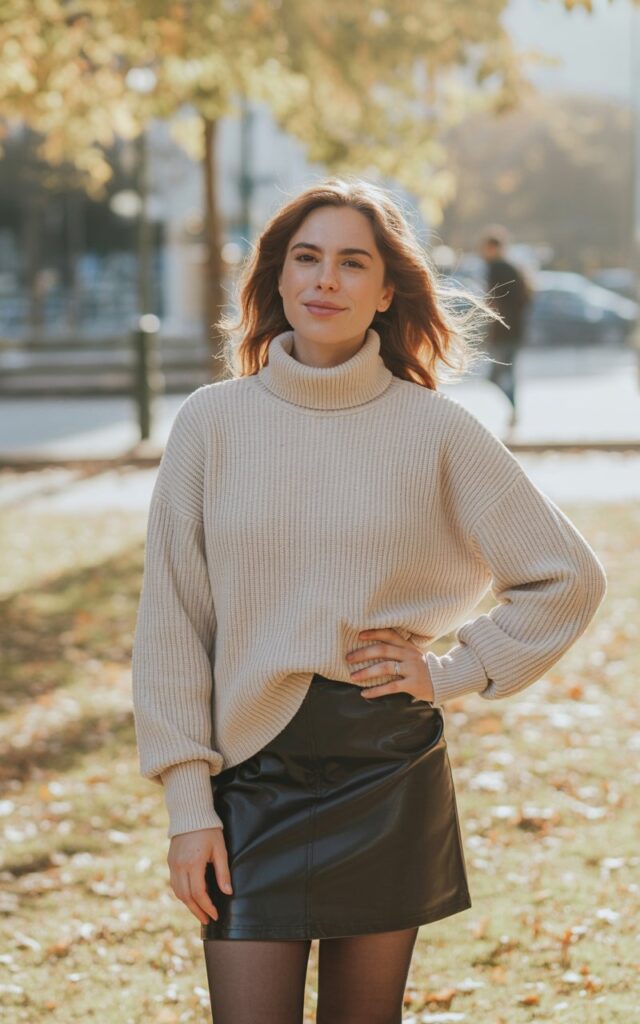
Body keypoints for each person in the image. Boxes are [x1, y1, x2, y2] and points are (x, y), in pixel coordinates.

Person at [131, 178, 607, 1024]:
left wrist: (458, 670)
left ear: (387, 291)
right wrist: (187, 809)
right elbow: (174, 623)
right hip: (248, 779)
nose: (326, 280)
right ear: (276, 277)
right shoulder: (211, 423)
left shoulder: (436, 429)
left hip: (386, 770)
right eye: (306, 258)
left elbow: (568, 576)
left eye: (353, 262)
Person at [479, 224, 533, 431]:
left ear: (493, 247)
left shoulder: (496, 268)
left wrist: (490, 329)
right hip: (516, 329)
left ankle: (513, 409)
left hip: (503, 331)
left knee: (496, 376)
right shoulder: (513, 267)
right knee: (507, 374)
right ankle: (514, 410)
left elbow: (493, 301)